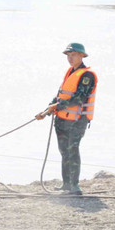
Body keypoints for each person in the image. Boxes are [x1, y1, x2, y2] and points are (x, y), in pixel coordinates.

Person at [36, 42, 97, 196]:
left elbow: (79, 98)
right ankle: (66, 184)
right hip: (62, 119)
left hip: (77, 121)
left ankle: (75, 186)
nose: (70, 58)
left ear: (82, 56)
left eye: (74, 55)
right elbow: (60, 96)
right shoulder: (70, 72)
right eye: (68, 55)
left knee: (73, 150)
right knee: (64, 151)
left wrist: (55, 106)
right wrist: (45, 111)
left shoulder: (87, 75)